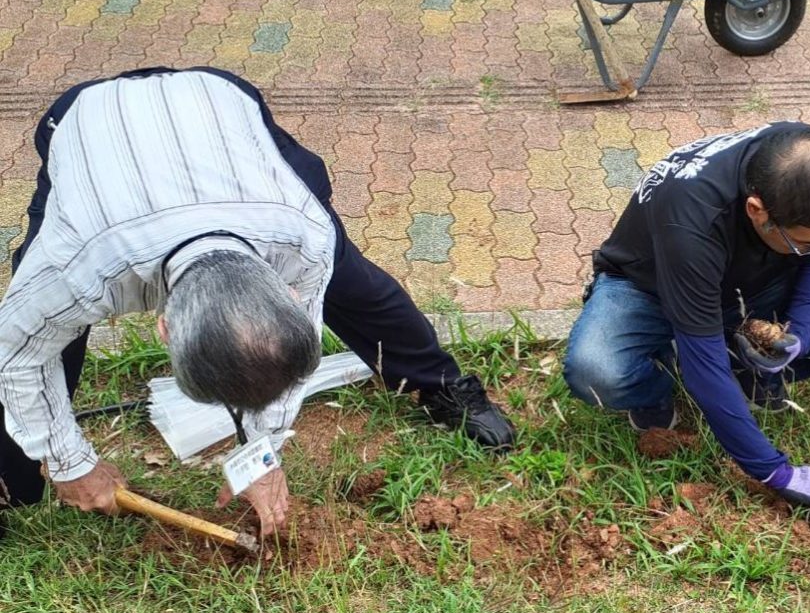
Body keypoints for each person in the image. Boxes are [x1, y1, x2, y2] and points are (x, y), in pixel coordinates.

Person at [0, 66, 514, 539]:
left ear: (289, 293)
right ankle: (13, 475)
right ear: (165, 329)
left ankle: (444, 387)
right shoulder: (76, 269)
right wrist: (70, 462)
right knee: (47, 338)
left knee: (357, 287)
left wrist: (261, 458)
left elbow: (281, 356)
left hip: (217, 102)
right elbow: (16, 355)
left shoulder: (302, 237)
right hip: (86, 123)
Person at [563, 123, 810, 517]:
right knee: (596, 371)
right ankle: (657, 385)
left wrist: (797, 336)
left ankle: (749, 372)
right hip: (646, 285)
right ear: (756, 210)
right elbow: (703, 362)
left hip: (754, 278)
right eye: (803, 243)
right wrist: (775, 473)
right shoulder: (691, 218)